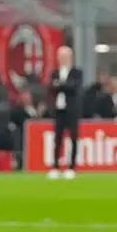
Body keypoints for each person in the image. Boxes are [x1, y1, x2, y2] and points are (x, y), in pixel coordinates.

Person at [47, 46, 82, 180]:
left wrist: (60, 85)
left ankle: (71, 167)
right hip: (58, 110)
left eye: (65, 56)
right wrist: (62, 85)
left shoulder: (76, 73)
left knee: (73, 138)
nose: (63, 59)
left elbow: (73, 87)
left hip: (72, 110)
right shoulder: (54, 73)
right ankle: (55, 167)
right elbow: (51, 88)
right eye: (61, 57)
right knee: (57, 139)